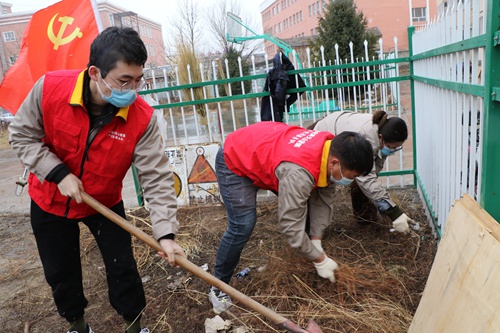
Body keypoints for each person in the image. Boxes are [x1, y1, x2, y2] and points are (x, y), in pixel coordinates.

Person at [9, 27, 186, 333]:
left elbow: (156, 177)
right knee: (60, 271)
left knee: (123, 268)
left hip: (103, 200)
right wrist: (58, 173)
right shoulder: (51, 88)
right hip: (49, 199)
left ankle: (134, 325)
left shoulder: (141, 118)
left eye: (138, 80)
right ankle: (77, 325)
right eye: (123, 81)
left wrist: (166, 233)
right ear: (95, 72)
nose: (132, 90)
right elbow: (22, 135)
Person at [208, 121, 373, 314]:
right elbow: (290, 225)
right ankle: (217, 286)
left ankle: (307, 255)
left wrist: (316, 239)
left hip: (267, 153)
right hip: (236, 157)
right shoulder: (299, 173)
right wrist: (320, 259)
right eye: (350, 176)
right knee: (243, 225)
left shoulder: (330, 149)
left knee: (307, 214)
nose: (349, 181)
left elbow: (322, 200)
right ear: (334, 163)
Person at [309, 110, 414, 235]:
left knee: (362, 181)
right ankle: (310, 230)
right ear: (381, 138)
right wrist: (393, 212)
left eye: (396, 147)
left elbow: (373, 170)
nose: (393, 150)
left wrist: (381, 203)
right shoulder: (367, 137)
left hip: (337, 128)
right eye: (391, 147)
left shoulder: (383, 133)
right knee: (320, 185)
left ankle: (365, 221)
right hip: (321, 134)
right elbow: (366, 178)